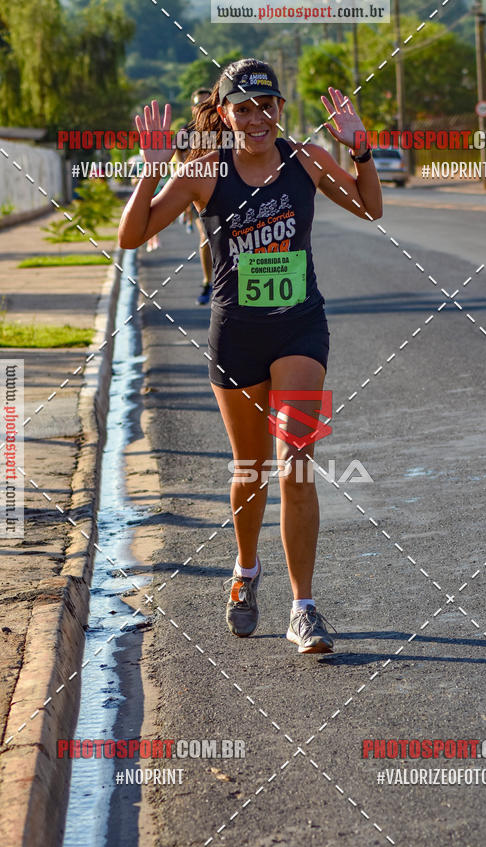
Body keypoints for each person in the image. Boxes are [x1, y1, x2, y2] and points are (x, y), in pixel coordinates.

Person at [118, 58, 382, 654]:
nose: (256, 119)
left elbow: (370, 208)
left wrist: (361, 149)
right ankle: (245, 568)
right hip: (235, 335)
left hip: (300, 330)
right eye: (242, 108)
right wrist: (150, 172)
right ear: (226, 114)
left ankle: (304, 607)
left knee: (298, 460)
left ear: (281, 110)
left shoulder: (307, 161)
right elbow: (131, 237)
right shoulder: (201, 174)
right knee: (250, 469)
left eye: (266, 106)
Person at [177, 88, 214, 303]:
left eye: (207, 103)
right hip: (197, 193)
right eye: (199, 104)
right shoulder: (186, 132)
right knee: (206, 236)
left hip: (226, 191)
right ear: (193, 109)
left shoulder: (226, 128)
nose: (203, 107)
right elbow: (179, 158)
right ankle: (208, 282)